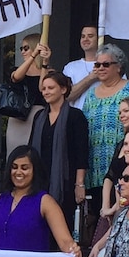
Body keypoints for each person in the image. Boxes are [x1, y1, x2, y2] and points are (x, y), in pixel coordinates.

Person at [82, 43, 129, 211]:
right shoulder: (91, 94)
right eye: (97, 65)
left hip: (124, 163)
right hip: (96, 169)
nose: (100, 68)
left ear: (119, 66)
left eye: (106, 64)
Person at [0, 145, 81, 257]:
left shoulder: (45, 202)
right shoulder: (0, 199)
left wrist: (73, 250)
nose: (18, 172)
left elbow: (65, 242)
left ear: (34, 170)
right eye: (14, 167)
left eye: (24, 168)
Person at [28, 71, 89, 232]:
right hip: (39, 180)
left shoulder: (76, 116)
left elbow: (82, 152)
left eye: (50, 88)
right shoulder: (39, 116)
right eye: (44, 88)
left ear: (63, 90)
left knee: (63, 224)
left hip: (65, 182)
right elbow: (30, 151)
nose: (46, 92)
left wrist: (79, 184)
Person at [5, 33, 50, 157]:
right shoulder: (18, 69)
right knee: (15, 154)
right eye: (21, 48)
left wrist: (44, 63)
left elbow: (43, 88)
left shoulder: (48, 71)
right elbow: (16, 77)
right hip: (18, 116)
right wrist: (33, 55)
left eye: (26, 48)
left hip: (38, 115)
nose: (22, 52)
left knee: (35, 154)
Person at [63, 23, 100, 109]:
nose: (85, 39)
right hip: (78, 118)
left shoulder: (109, 65)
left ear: (99, 39)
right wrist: (90, 78)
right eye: (83, 36)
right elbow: (66, 95)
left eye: (90, 36)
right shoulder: (70, 67)